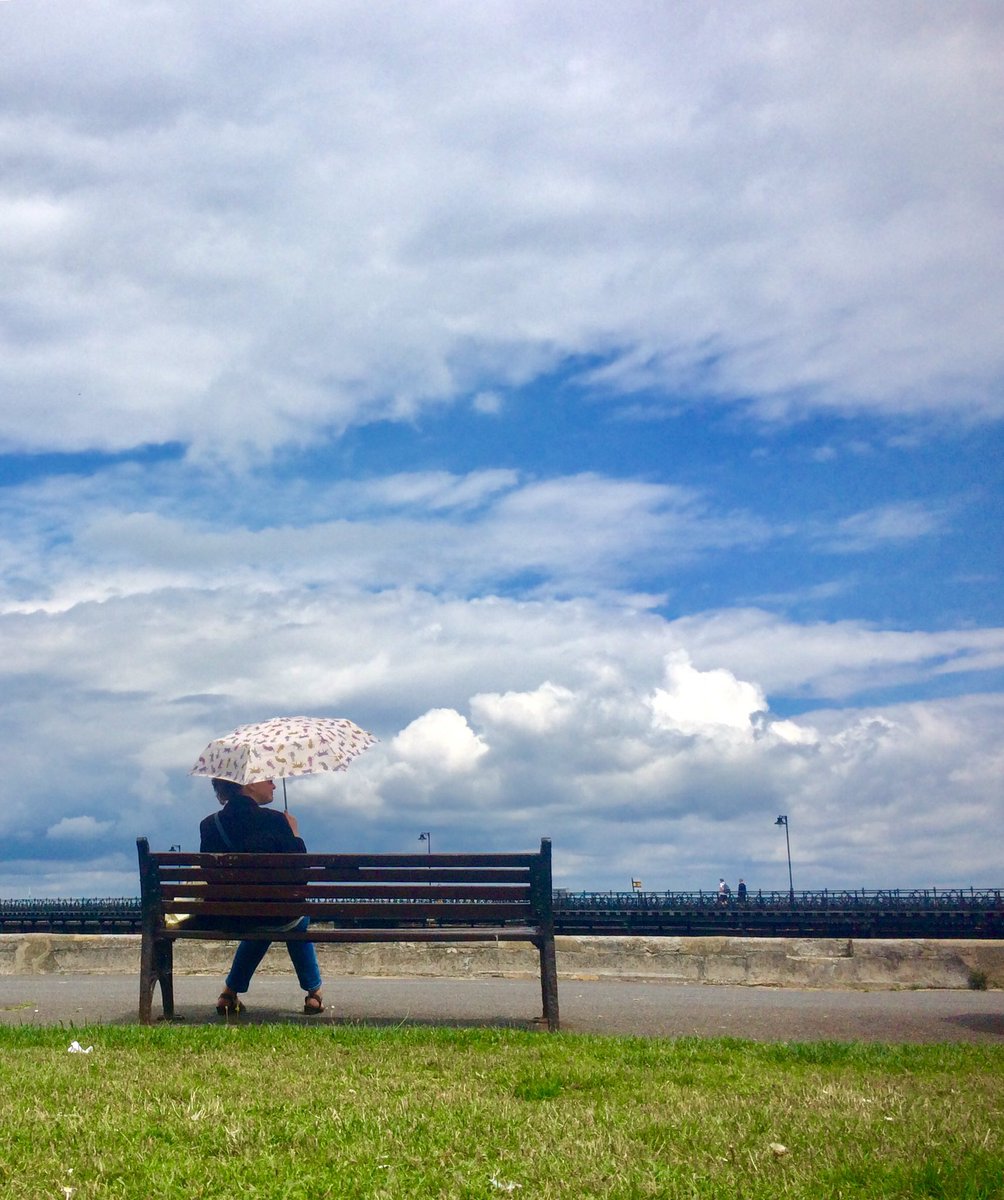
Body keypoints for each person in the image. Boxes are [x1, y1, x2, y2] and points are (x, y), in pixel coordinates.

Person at [200, 777, 324, 1016]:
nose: (274, 786)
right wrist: (295, 834)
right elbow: (301, 877)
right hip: (277, 916)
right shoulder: (276, 821)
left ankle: (229, 993)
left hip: (229, 917)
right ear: (249, 784)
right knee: (294, 920)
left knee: (261, 919)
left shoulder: (209, 824)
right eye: (269, 780)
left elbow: (210, 877)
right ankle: (314, 992)